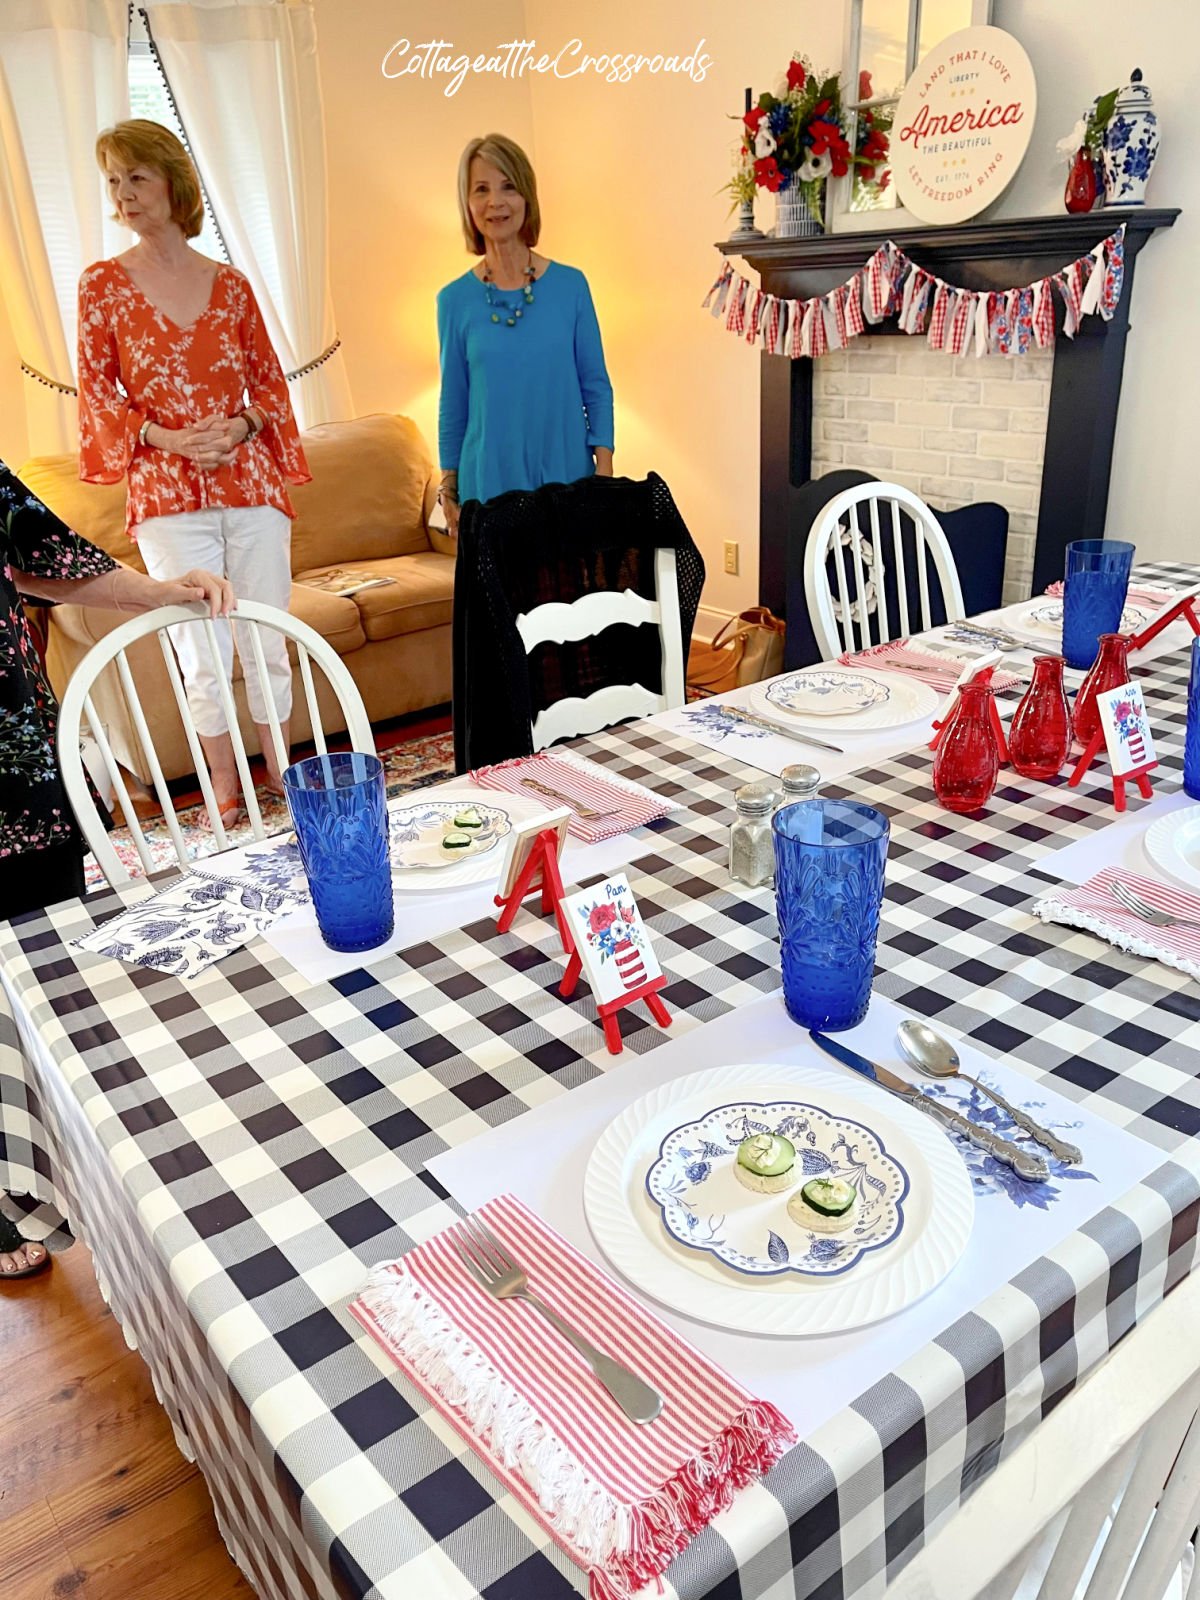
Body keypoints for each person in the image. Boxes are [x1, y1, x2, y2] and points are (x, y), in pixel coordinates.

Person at [0, 458, 233, 1279]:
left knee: (58, 990)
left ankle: (87, 1173)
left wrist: (168, 591)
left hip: (24, 776)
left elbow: (53, 562)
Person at [77, 118, 310, 830]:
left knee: (265, 640)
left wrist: (239, 427)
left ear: (174, 185)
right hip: (165, 497)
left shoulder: (233, 288)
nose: (122, 194)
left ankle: (285, 774)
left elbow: (271, 388)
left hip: (251, 490)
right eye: (113, 181)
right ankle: (224, 785)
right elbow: (97, 395)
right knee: (199, 648)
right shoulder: (101, 288)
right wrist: (166, 436)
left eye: (136, 178)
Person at [436, 134, 615, 537]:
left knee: (571, 599)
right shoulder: (453, 300)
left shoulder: (571, 286)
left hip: (568, 481)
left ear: (527, 198)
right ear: (468, 204)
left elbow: (596, 387)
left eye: (508, 187)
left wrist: (602, 473)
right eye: (481, 189)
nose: (495, 202)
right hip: (488, 487)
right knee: (502, 601)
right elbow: (453, 404)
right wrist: (449, 487)